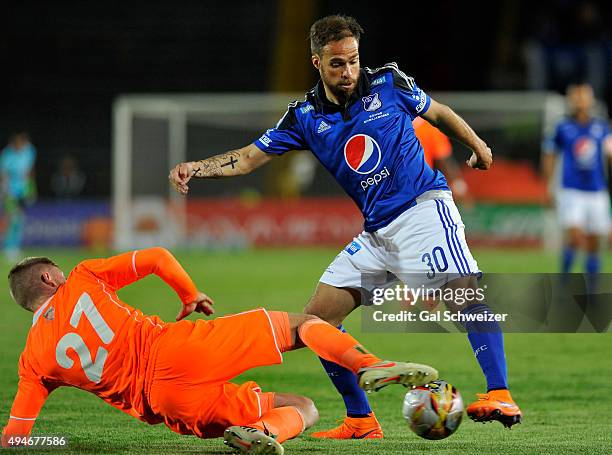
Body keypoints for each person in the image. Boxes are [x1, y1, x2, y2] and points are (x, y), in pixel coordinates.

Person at [169, 14, 522, 437]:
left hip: (423, 211)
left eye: (354, 60)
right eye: (338, 63)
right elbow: (247, 158)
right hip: (377, 234)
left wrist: (478, 146)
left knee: (462, 294)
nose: (349, 71)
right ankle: (361, 419)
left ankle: (499, 392)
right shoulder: (303, 116)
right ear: (317, 62)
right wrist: (197, 167)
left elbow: (438, 112)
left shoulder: (390, 83)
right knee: (316, 323)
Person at [1, 247, 437, 454]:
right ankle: (370, 365)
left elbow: (15, 439)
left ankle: (265, 434)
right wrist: (189, 294)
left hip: (165, 405)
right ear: (48, 281)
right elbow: (155, 257)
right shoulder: (80, 278)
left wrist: (60, 439)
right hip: (175, 349)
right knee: (307, 326)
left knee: (301, 405)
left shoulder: (33, 361)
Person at [543, 83, 612, 287]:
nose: (581, 101)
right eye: (577, 97)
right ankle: (564, 283)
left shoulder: (601, 127)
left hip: (597, 191)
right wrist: (547, 187)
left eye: (584, 97)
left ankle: (592, 290)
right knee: (574, 237)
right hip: (571, 191)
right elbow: (550, 156)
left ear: (591, 100)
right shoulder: (562, 127)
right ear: (571, 100)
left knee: (594, 244)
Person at [413, 116, 471, 204]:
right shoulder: (428, 125)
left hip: (418, 184)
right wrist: (457, 183)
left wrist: (457, 183)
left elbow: (443, 157)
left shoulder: (428, 126)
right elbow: (443, 158)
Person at [0, 132, 37, 260]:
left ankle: (15, 247)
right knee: (13, 219)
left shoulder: (29, 151)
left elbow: (30, 171)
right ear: (15, 143)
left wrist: (31, 189)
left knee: (20, 220)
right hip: (9, 191)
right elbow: (4, 174)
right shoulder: (7, 155)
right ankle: (8, 248)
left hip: (23, 191)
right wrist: (5, 192)